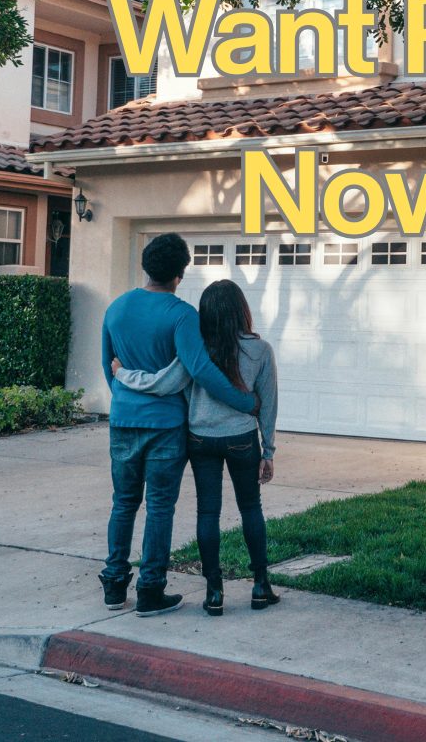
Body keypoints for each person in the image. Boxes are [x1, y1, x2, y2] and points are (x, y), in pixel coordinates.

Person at [100, 234, 259, 618]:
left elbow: (109, 367)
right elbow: (202, 370)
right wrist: (244, 402)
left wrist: (127, 402)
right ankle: (151, 589)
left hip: (123, 421)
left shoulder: (116, 308)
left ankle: (114, 585)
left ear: (146, 266)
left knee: (123, 504)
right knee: (159, 507)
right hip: (166, 426)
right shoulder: (182, 315)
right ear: (180, 273)